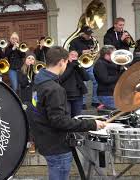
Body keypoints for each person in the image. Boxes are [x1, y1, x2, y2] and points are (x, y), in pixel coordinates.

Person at [30, 46, 106, 180]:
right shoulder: (54, 89)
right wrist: (92, 124)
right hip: (56, 145)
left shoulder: (39, 81)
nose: (66, 65)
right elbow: (59, 121)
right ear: (61, 62)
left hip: (45, 139)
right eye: (66, 62)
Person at [69, 26, 100, 109]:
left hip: (89, 64)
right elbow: (71, 53)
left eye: (90, 34)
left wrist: (92, 53)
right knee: (83, 84)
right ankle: (82, 103)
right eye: (87, 34)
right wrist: (81, 52)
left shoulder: (92, 40)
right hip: (79, 65)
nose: (89, 36)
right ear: (82, 34)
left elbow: (95, 51)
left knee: (96, 81)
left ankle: (95, 101)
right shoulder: (74, 41)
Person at [60, 51, 89, 118]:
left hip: (78, 95)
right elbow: (61, 79)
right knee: (67, 116)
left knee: (77, 117)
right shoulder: (62, 66)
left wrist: (80, 67)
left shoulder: (78, 66)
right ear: (67, 56)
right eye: (72, 55)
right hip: (66, 96)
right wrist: (71, 66)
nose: (74, 57)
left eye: (76, 55)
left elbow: (86, 78)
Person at [94, 45, 122, 109]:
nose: (115, 56)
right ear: (106, 55)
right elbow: (105, 79)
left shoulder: (112, 62)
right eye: (114, 54)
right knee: (117, 112)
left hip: (113, 93)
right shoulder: (100, 64)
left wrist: (120, 67)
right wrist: (119, 76)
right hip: (106, 94)